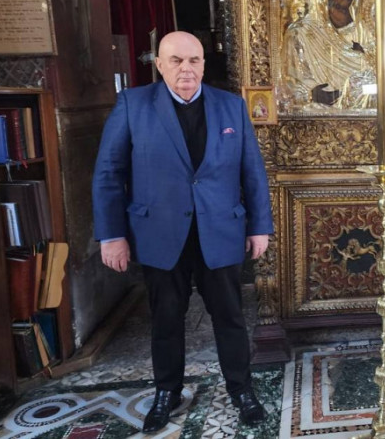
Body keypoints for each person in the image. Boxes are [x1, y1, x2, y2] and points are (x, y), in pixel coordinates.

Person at [92, 31, 272, 433]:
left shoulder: (231, 106)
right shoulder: (133, 105)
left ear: (204, 64)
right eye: (176, 60)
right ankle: (167, 392)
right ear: (159, 64)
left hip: (219, 231)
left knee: (230, 317)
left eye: (194, 60)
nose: (186, 69)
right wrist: (111, 235)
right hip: (159, 233)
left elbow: (252, 171)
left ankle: (241, 389)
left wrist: (260, 226)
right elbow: (108, 173)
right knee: (166, 319)